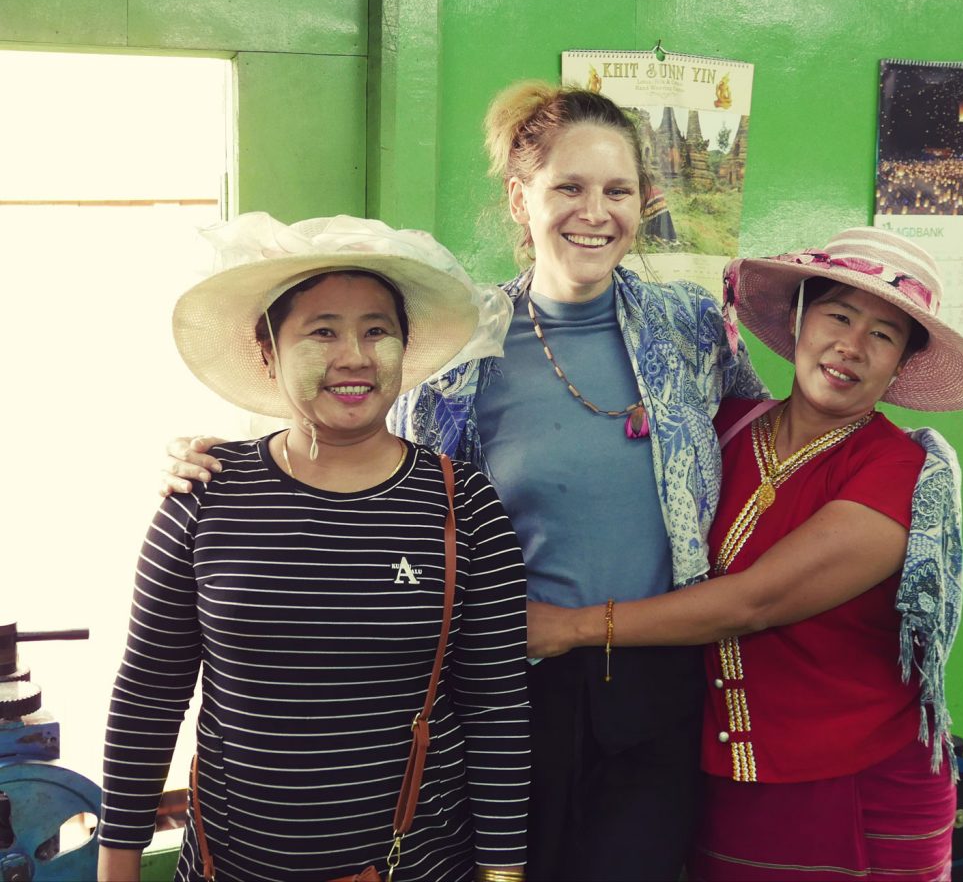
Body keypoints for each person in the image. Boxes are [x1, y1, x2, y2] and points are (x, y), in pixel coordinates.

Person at [159, 81, 768, 882]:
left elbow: (765, 442)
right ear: (520, 200)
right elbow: (367, 459)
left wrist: (895, 459)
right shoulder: (463, 348)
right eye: (569, 188)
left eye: (618, 191)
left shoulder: (692, 326)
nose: (596, 213)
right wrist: (229, 459)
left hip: (661, 677)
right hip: (509, 680)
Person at [527, 227, 963, 882]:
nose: (852, 346)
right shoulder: (724, 427)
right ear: (799, 320)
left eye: (883, 335)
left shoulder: (900, 472)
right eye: (838, 316)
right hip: (726, 785)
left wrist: (570, 627)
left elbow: (755, 601)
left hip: (861, 786)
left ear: (900, 366)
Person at [98, 213, 530, 882]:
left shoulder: (463, 505)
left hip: (418, 867)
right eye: (322, 331)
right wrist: (117, 865)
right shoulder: (205, 495)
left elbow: (496, 709)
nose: (353, 356)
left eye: (376, 331)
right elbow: (148, 696)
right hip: (227, 867)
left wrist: (503, 873)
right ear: (268, 352)